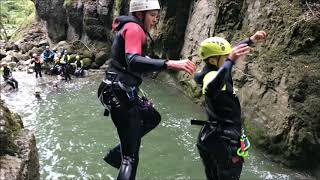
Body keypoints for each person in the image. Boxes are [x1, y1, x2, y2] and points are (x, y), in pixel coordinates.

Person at [97, 0, 195, 179]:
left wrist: (150, 60)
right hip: (119, 91)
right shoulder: (134, 29)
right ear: (140, 14)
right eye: (152, 15)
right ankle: (122, 155)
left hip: (115, 90)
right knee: (130, 158)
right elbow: (133, 60)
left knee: (152, 117)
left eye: (157, 16)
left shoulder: (128, 28)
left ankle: (116, 153)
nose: (155, 20)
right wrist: (169, 63)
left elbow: (131, 61)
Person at [192, 31, 267, 180]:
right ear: (213, 60)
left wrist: (251, 40)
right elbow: (212, 87)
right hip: (225, 143)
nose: (229, 59)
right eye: (225, 58)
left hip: (210, 137)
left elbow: (229, 54)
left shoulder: (212, 69)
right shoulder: (211, 76)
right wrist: (230, 60)